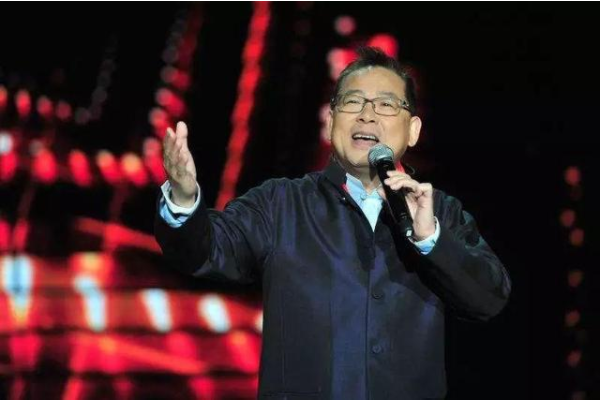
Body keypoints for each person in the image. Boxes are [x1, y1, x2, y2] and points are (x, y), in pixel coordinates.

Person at [155, 46, 511, 400]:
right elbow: (204, 250)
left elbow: (488, 299)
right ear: (330, 121)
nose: (367, 116)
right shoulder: (281, 204)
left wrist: (430, 239)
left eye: (386, 104)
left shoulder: (440, 213)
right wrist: (183, 198)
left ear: (413, 130)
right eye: (353, 102)